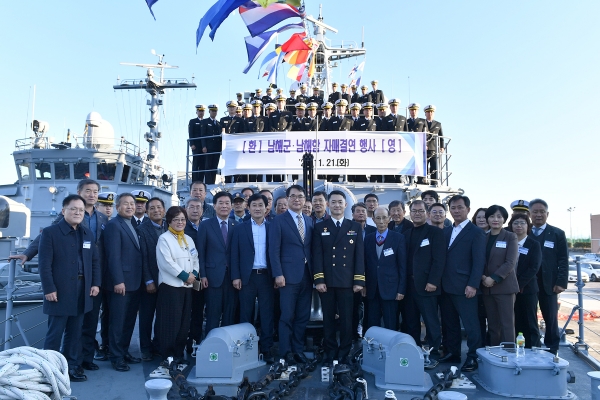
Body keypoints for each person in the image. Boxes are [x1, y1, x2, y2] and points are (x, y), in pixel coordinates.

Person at [39, 194, 101, 382]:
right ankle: (49, 370)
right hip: (59, 290)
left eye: (81, 210)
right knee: (55, 333)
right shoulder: (50, 233)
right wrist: (49, 288)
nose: (77, 212)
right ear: (63, 210)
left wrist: (95, 283)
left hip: (82, 289)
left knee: (75, 332)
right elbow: (44, 264)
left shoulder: (87, 234)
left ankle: (72, 367)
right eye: (73, 208)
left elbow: (95, 261)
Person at [313, 190, 364, 364]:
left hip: (347, 282)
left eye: (339, 202)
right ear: (328, 205)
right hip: (327, 282)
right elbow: (317, 256)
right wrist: (319, 280)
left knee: (347, 320)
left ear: (346, 205)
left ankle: (344, 352)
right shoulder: (320, 227)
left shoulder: (355, 227)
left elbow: (359, 255)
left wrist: (358, 280)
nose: (336, 205)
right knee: (328, 320)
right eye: (333, 202)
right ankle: (329, 351)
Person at [439, 195, 485, 372]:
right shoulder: (447, 231)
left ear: (468, 209)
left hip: (465, 286)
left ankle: (473, 357)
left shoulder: (476, 232)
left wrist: (473, 284)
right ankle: (453, 352)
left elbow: (479, 261)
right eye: (453, 208)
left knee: (471, 324)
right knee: (450, 323)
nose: (456, 211)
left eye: (460, 207)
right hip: (446, 285)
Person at [268, 185, 313, 364]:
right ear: (287, 199)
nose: (297, 199)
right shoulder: (279, 221)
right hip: (287, 277)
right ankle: (285, 351)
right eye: (293, 196)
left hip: (307, 276)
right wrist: (277, 274)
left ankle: (298, 350)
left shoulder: (309, 221)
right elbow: (274, 250)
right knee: (287, 316)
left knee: (302, 316)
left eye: (300, 196)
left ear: (304, 199)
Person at [231, 193, 275, 363]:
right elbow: (234, 254)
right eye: (254, 205)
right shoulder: (239, 228)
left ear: (266, 208)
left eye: (261, 205)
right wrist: (236, 276)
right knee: (246, 314)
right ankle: (245, 349)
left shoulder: (272, 227)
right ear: (248, 208)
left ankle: (266, 348)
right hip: (247, 277)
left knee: (266, 314)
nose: (257, 208)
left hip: (266, 277)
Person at [103, 193, 143, 371]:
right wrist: (118, 281)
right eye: (125, 204)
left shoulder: (133, 224)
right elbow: (113, 256)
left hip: (135, 282)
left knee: (128, 320)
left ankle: (124, 351)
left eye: (132, 203)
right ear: (117, 207)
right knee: (117, 322)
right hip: (122, 283)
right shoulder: (114, 225)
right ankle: (116, 357)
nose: (130, 206)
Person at [404, 200, 445, 368]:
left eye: (421, 211)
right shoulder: (406, 233)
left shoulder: (435, 232)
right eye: (414, 211)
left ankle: (434, 353)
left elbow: (439, 259)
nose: (417, 214)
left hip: (427, 285)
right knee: (411, 322)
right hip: (408, 285)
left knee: (431, 322)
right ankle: (414, 351)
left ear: (427, 213)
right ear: (410, 213)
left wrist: (433, 281)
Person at [156, 206, 198, 365]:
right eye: (176, 219)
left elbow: (195, 258)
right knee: (170, 323)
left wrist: (194, 274)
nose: (180, 222)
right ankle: (168, 355)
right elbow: (166, 263)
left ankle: (179, 353)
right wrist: (184, 276)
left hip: (187, 287)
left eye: (182, 219)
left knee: (183, 322)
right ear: (169, 221)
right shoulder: (164, 239)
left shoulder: (189, 239)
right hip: (171, 287)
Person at [529, 198, 568, 355]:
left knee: (550, 318)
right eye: (535, 212)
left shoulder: (557, 233)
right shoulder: (522, 231)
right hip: (528, 282)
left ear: (547, 214)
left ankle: (552, 348)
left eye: (542, 212)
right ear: (530, 214)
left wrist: (561, 282)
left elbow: (563, 259)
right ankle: (532, 345)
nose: (538, 215)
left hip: (549, 283)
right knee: (529, 316)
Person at [198, 192, 237, 335]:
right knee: (213, 315)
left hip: (232, 277)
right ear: (214, 206)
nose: (224, 206)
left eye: (227, 203)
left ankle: (226, 348)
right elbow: (201, 252)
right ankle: (211, 347)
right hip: (212, 277)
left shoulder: (236, 225)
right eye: (220, 203)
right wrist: (203, 275)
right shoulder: (206, 225)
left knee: (229, 315)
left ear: (231, 206)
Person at [480, 205, 519, 346]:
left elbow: (510, 262)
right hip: (486, 287)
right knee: (492, 325)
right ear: (487, 219)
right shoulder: (483, 237)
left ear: (504, 219)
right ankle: (494, 354)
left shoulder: (510, 236)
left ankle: (509, 354)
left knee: (507, 324)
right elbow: (478, 260)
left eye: (499, 216)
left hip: (504, 287)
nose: (495, 219)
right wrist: (484, 277)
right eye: (491, 216)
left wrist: (494, 278)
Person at [364, 206, 406, 330]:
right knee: (372, 322)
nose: (381, 221)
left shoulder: (398, 238)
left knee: (390, 322)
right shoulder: (368, 238)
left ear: (389, 219)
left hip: (391, 289)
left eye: (384, 218)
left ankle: (390, 348)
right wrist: (364, 284)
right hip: (372, 289)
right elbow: (364, 263)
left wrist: (401, 290)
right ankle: (373, 348)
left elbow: (402, 265)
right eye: (378, 218)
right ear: (373, 219)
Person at [136, 197, 167, 361]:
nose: (156, 211)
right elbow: (143, 258)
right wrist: (148, 280)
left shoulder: (169, 226)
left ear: (164, 209)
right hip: (150, 280)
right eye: (152, 208)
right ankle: (145, 348)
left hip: (167, 280)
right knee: (147, 317)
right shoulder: (142, 230)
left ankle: (157, 345)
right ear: (147, 212)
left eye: (159, 207)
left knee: (162, 316)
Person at [509, 213, 542, 348]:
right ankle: (516, 347)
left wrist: (518, 284)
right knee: (514, 320)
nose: (519, 226)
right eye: (516, 223)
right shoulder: (508, 242)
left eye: (522, 223)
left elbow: (534, 267)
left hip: (527, 289)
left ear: (528, 226)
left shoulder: (533, 244)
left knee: (529, 321)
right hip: (508, 289)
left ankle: (533, 347)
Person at [184, 197, 206, 352]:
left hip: (201, 277)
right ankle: (182, 342)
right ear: (186, 209)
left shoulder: (206, 227)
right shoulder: (181, 227)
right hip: (184, 277)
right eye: (192, 207)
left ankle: (195, 341)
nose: (195, 210)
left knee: (198, 311)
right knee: (185, 312)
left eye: (198, 207)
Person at [351, 202, 376, 338]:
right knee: (354, 307)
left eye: (363, 211)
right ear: (353, 214)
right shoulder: (348, 228)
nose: (361, 213)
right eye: (358, 211)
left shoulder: (373, 230)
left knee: (370, 308)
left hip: (371, 274)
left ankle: (368, 334)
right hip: (353, 275)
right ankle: (354, 334)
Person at [470, 207, 489, 345]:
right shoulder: (472, 234)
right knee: (478, 317)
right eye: (479, 217)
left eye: (484, 217)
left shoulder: (497, 236)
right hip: (477, 281)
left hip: (493, 282)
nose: (481, 219)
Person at [200, 104, 221, 184]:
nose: (214, 112)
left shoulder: (218, 123)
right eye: (212, 111)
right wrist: (204, 146)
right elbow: (203, 135)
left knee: (214, 166)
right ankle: (208, 183)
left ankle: (213, 182)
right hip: (208, 147)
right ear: (209, 111)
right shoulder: (205, 122)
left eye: (215, 111)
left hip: (217, 147)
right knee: (208, 166)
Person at [424, 105, 444, 183]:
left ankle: (434, 181)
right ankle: (423, 180)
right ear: (425, 113)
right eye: (428, 112)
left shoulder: (438, 124)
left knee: (434, 166)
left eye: (431, 112)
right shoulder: (423, 122)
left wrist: (442, 147)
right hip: (424, 148)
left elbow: (441, 136)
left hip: (433, 148)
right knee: (424, 165)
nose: (430, 113)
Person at [188, 105, 206, 182]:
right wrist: (192, 144)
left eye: (202, 111)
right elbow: (191, 133)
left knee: (203, 164)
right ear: (197, 112)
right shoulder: (193, 121)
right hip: (196, 146)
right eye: (200, 111)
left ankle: (201, 180)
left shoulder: (205, 122)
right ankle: (195, 180)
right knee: (196, 164)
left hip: (204, 146)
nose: (201, 112)